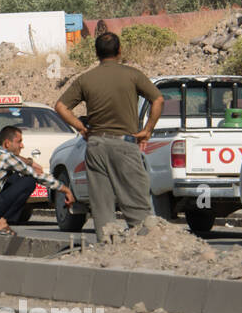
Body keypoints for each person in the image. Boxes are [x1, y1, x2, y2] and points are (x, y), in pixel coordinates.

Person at [54, 30, 165, 238]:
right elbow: (158, 100)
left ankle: (107, 245)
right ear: (120, 50)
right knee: (136, 203)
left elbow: (60, 106)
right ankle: (143, 245)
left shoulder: (86, 79)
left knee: (101, 203)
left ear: (97, 53)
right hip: (125, 144)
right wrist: (147, 130)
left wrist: (81, 128)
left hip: (95, 145)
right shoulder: (133, 75)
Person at [0, 125, 74, 234]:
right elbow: (36, 175)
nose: (22, 145)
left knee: (15, 177)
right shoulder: (6, 157)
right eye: (19, 142)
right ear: (7, 143)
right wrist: (65, 190)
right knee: (29, 180)